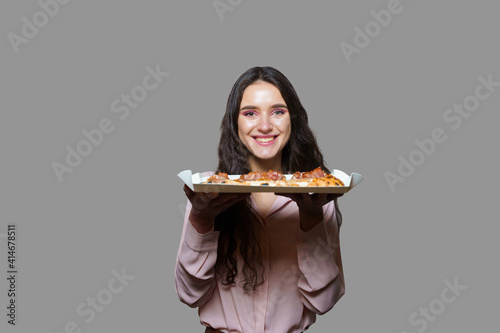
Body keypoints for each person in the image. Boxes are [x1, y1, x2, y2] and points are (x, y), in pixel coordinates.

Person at [175, 66, 345, 333]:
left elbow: (324, 301)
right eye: (250, 113)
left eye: (278, 111)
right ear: (235, 123)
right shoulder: (207, 191)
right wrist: (201, 220)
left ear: (294, 119)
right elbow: (189, 295)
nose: (265, 125)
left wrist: (311, 218)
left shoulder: (317, 192)